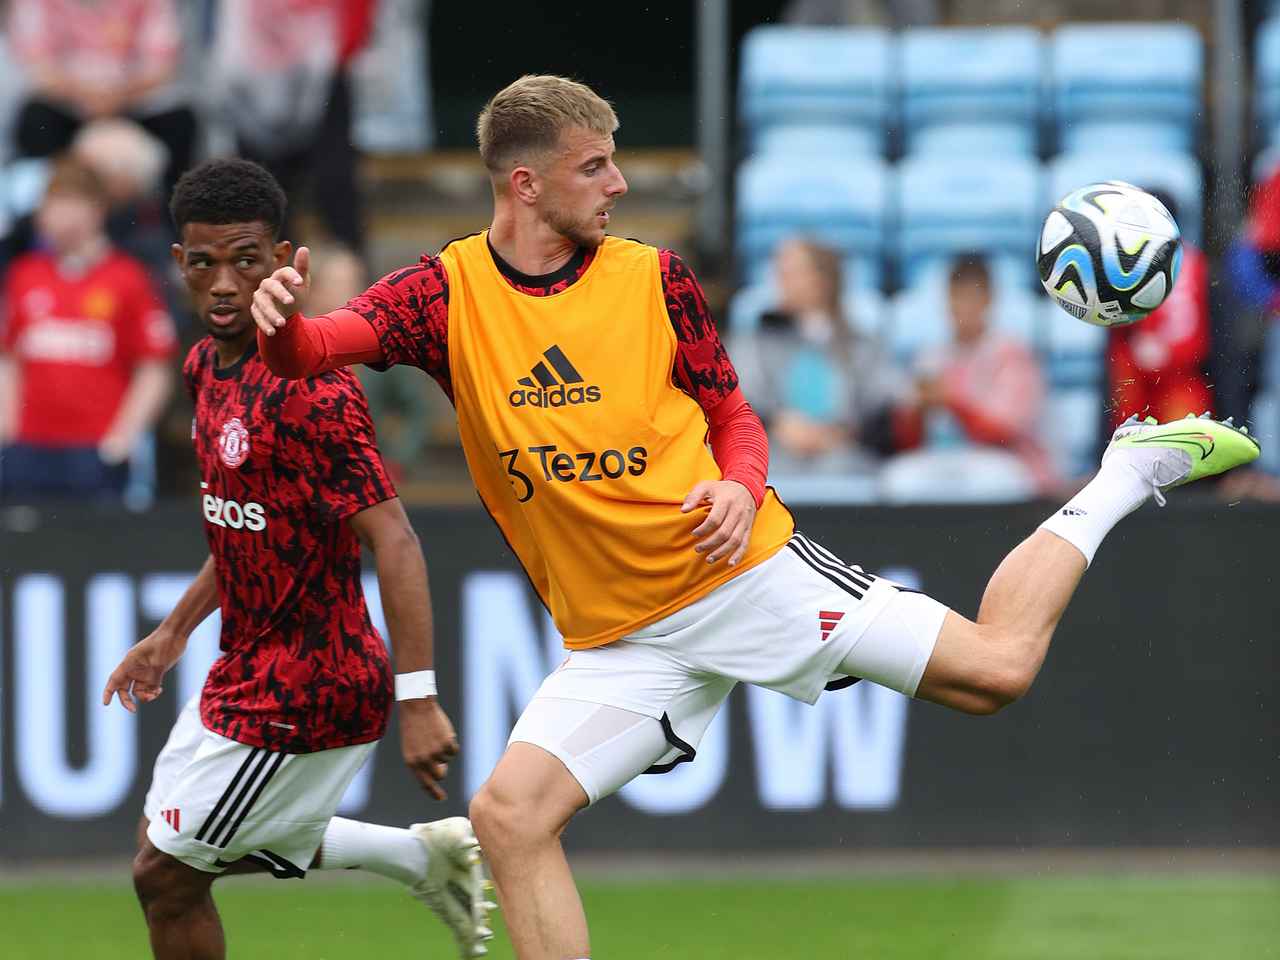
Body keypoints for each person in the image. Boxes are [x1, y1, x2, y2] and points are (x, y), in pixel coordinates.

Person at [250, 75, 1260, 960]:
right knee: (508, 819)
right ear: (525, 184)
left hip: (739, 578)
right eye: (594, 167)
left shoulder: (653, 277)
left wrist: (738, 486)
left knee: (996, 669)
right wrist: (280, 317)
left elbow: (731, 412)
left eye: (612, 163)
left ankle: (1124, 474)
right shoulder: (442, 293)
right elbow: (314, 350)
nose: (617, 184)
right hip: (619, 641)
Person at [100, 159, 492, 960]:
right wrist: (172, 634)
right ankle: (419, 856)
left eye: (246, 260)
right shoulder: (205, 366)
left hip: (314, 684)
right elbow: (246, 528)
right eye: (203, 262)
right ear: (179, 264)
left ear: (282, 260)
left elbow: (396, 539)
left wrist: (418, 700)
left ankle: (419, 856)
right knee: (167, 843)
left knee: (165, 874)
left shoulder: (316, 389)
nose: (223, 284)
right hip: (244, 667)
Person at [0, 157, 176, 503]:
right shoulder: (24, 276)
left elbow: (154, 368)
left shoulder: (128, 279)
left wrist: (122, 439)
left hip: (95, 449)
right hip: (28, 446)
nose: (50, 216)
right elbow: (8, 359)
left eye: (64, 203)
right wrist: (7, 429)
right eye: (48, 205)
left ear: (95, 210)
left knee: (96, 553)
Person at [731, 236, 904, 475]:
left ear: (822, 281)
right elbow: (739, 399)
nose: (780, 282)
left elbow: (882, 408)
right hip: (774, 451)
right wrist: (777, 423)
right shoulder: (757, 340)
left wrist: (842, 433)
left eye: (790, 273)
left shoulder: (863, 345)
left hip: (847, 456)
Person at [890, 253, 1056, 497]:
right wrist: (916, 411)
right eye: (956, 296)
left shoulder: (1010, 353)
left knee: (994, 480)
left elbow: (1002, 433)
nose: (963, 307)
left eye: (972, 297)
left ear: (988, 299)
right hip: (943, 460)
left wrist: (950, 401)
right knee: (899, 480)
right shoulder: (930, 355)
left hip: (1008, 462)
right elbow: (906, 440)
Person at [7, 0, 197, 198]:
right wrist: (88, 96)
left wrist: (114, 97)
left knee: (181, 122)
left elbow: (162, 66)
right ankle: (36, 212)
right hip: (66, 106)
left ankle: (171, 216)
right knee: (35, 120)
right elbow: (36, 65)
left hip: (132, 104)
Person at [1105, 193, 1212, 431]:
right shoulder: (1193, 261)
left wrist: (1163, 351)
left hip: (1178, 380)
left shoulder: (1189, 265)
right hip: (1145, 378)